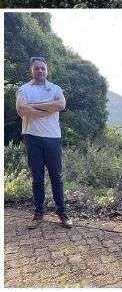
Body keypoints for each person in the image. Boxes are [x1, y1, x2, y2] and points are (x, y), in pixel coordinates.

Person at [15, 56, 72, 229]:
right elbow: (21, 109)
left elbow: (61, 104)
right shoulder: (23, 89)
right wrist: (48, 109)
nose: (40, 71)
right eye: (37, 68)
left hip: (53, 137)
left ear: (47, 71)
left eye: (43, 68)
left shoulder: (55, 88)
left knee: (56, 177)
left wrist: (34, 108)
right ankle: (39, 213)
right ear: (31, 70)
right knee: (37, 178)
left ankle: (61, 212)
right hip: (31, 137)